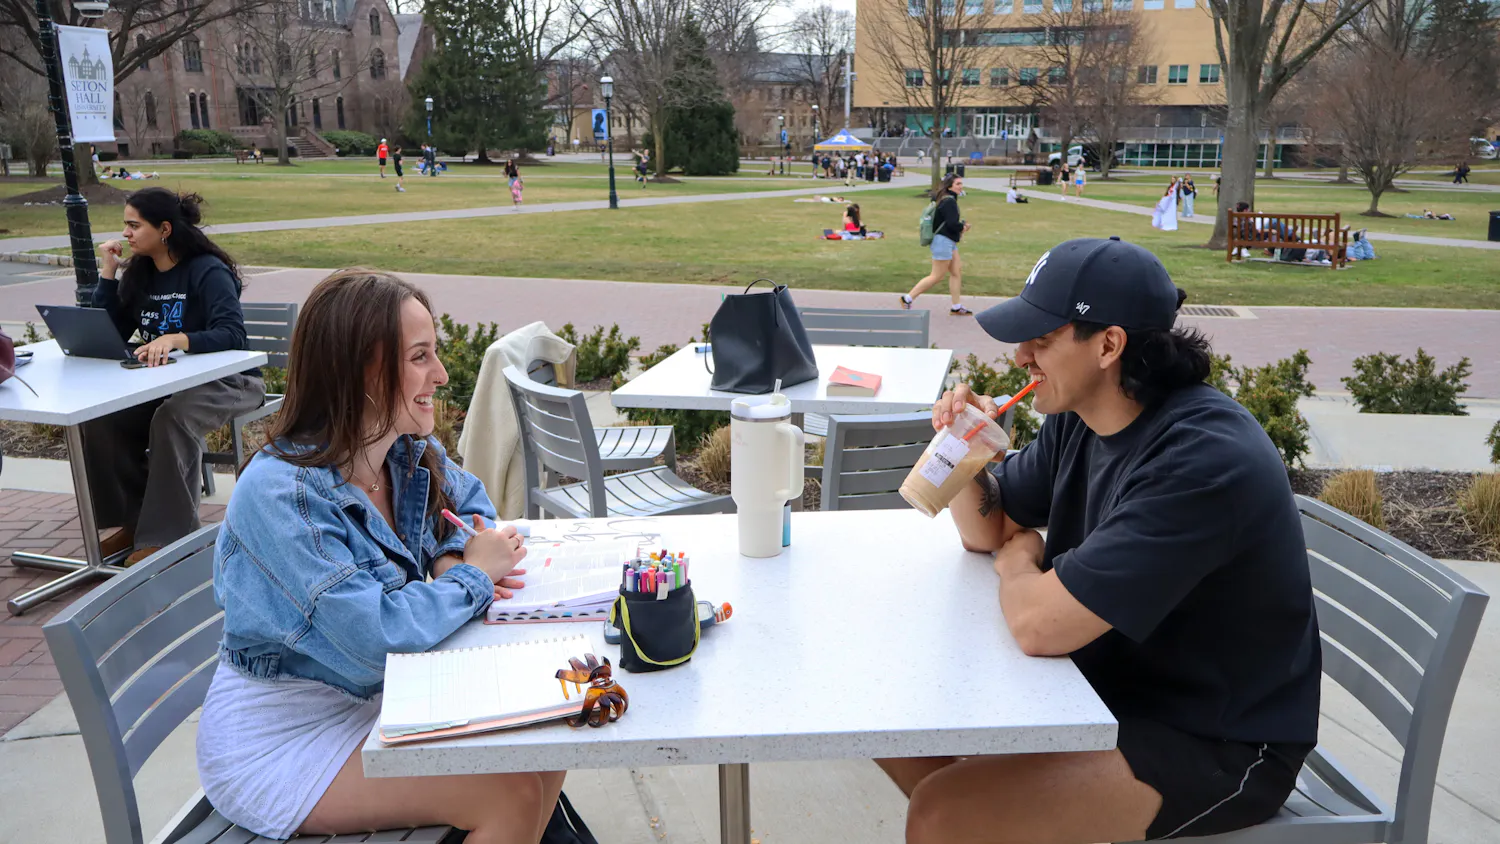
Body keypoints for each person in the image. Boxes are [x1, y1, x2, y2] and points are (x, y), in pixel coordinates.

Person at [878, 236, 1320, 844]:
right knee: (902, 735)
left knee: (943, 814)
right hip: (1104, 689)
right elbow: (989, 532)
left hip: (1214, 740)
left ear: (1110, 345)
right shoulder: (1080, 418)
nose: (1021, 357)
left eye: (1043, 338)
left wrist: (1020, 564)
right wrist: (966, 447)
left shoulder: (1203, 460)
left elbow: (1040, 625)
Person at [195, 269, 561, 842]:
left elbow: (472, 511)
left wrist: (446, 557)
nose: (439, 375)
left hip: (386, 698)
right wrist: (467, 578)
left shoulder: (404, 449)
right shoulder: (281, 494)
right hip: (284, 738)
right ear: (359, 370)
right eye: (420, 357)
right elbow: (374, 641)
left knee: (547, 737)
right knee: (509, 791)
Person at [86, 189, 266, 565]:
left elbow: (234, 335)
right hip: (167, 383)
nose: (126, 234)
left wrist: (178, 338)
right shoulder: (141, 273)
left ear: (164, 229)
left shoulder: (207, 271)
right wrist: (108, 272)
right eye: (125, 225)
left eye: (134, 225)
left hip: (232, 382)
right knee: (105, 416)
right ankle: (136, 524)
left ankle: (168, 538)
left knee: (172, 418)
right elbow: (111, 332)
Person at [901, 174, 972, 316]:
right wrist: (963, 227)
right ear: (950, 185)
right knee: (937, 276)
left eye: (961, 183)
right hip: (943, 241)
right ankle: (907, 298)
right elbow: (952, 224)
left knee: (956, 272)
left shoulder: (944, 199)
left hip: (948, 241)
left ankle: (956, 306)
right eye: (958, 184)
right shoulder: (949, 202)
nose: (960, 186)